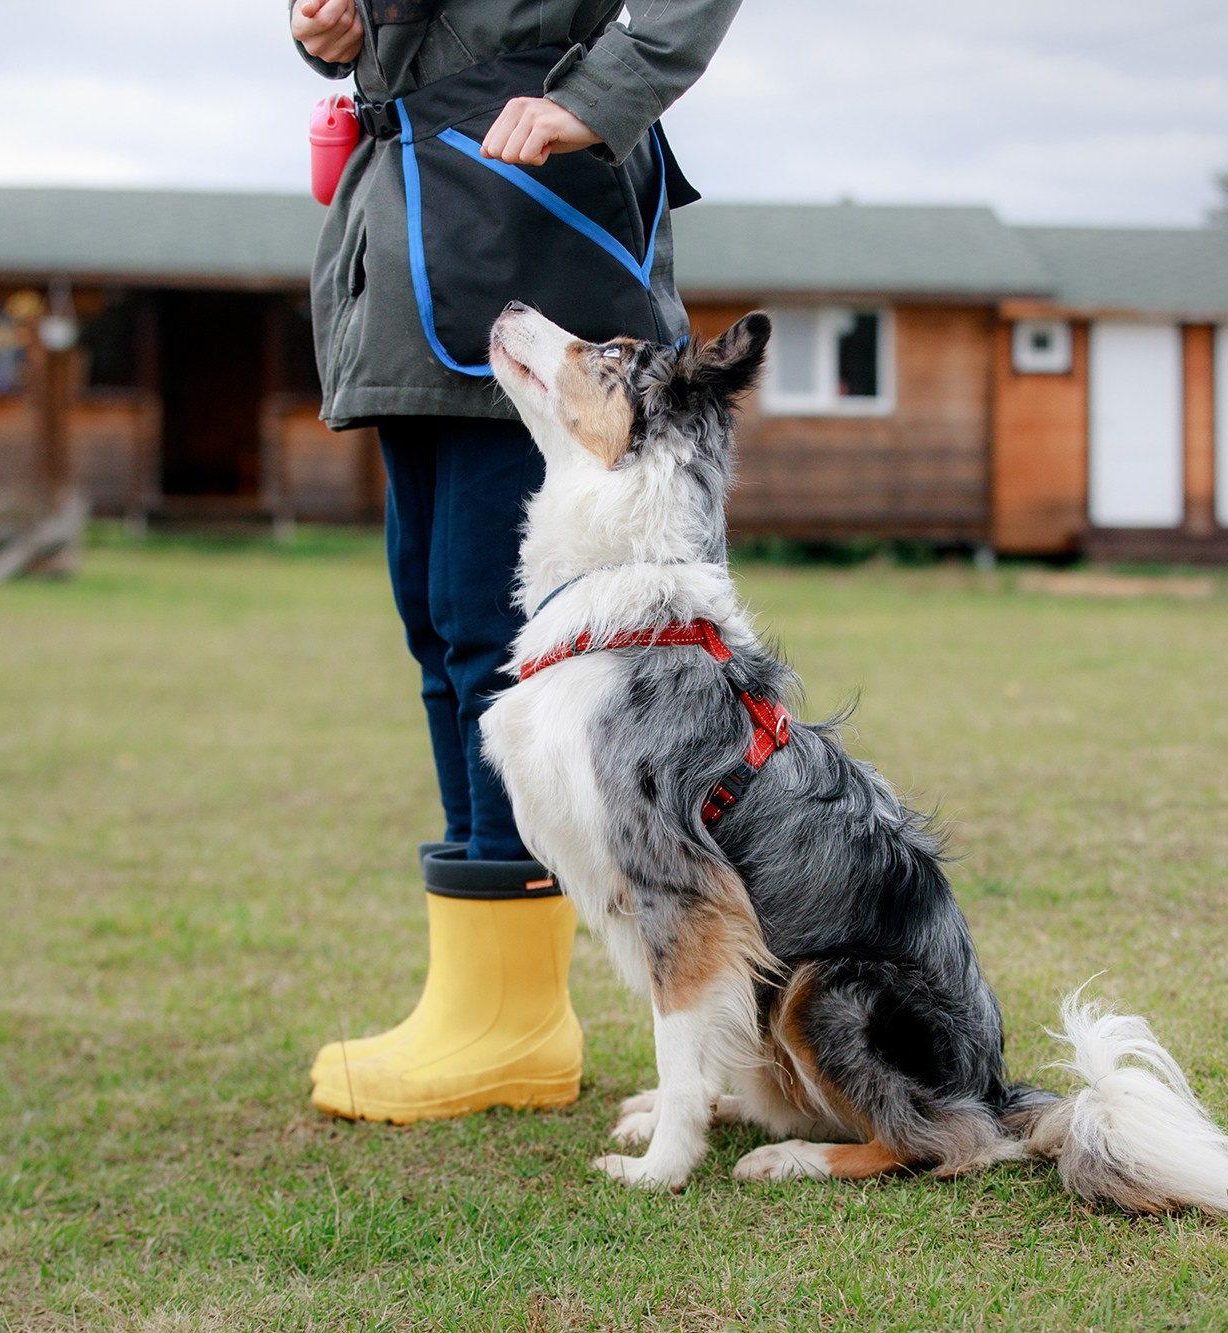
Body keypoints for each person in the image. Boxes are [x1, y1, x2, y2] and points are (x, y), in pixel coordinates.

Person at [290, 0, 744, 1124]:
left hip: (525, 220)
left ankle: (512, 1019)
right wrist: (328, 23)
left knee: (493, 638)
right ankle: (480, 996)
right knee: (440, 625)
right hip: (407, 232)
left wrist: (593, 98)